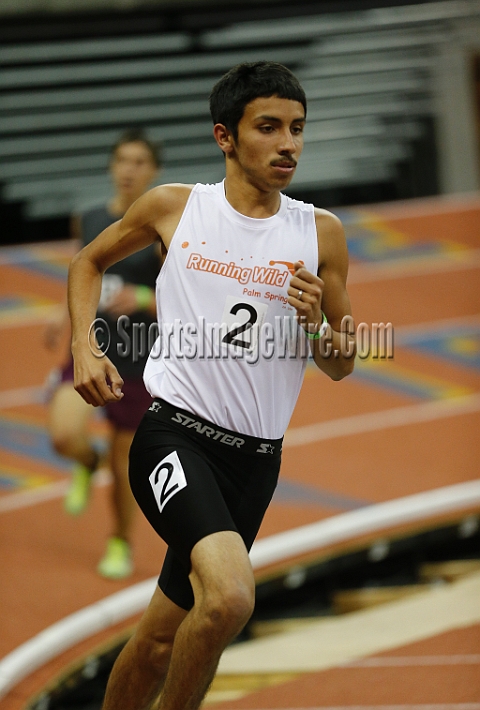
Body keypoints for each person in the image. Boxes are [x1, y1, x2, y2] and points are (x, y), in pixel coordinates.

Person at [68, 62, 356, 710]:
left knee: (158, 641)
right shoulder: (176, 208)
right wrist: (83, 346)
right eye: (269, 127)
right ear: (225, 136)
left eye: (298, 129)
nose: (289, 144)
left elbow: (343, 361)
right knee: (228, 597)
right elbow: (88, 262)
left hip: (255, 465)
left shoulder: (322, 235)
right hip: (175, 437)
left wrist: (315, 328)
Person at [45, 128, 162, 580]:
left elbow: (184, 298)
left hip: (136, 360)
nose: (129, 169)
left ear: (154, 171)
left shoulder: (162, 228)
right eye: (123, 160)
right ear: (112, 166)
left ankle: (120, 542)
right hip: (91, 348)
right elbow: (84, 272)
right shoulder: (90, 217)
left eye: (139, 162)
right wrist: (62, 313)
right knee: (62, 435)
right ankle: (85, 461)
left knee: (125, 467)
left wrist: (142, 297)